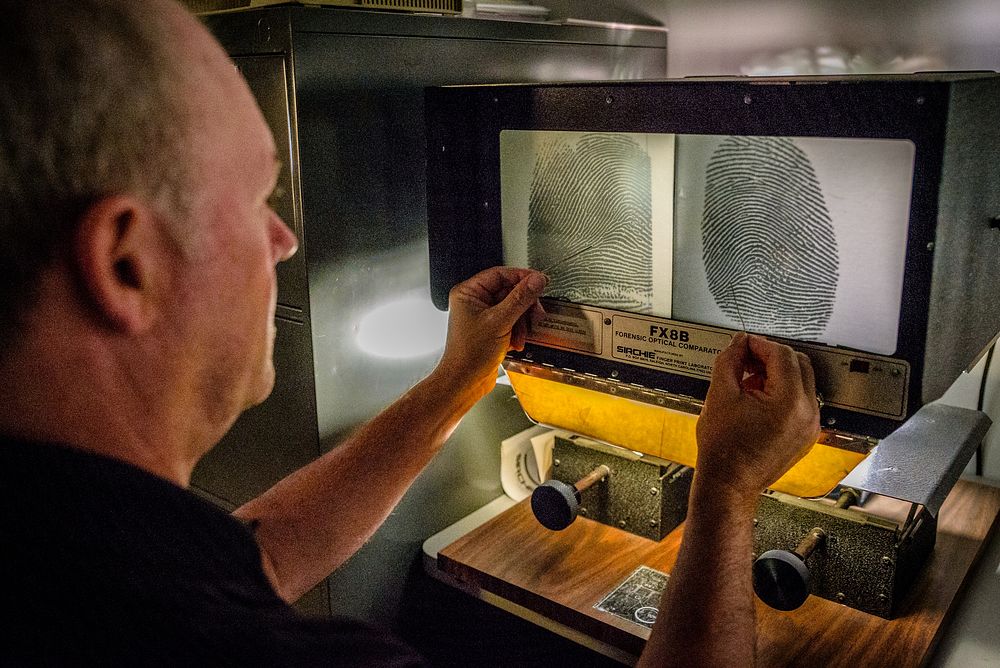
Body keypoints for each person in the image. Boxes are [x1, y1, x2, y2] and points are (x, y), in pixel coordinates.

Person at [0, 0, 818, 665]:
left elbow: (255, 558)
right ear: (128, 264)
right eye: (257, 202)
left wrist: (456, 382)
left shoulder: (65, 549)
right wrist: (728, 488)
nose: (284, 242)